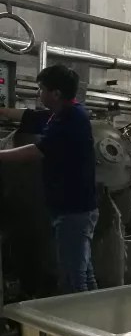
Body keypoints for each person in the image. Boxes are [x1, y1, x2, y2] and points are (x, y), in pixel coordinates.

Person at [0, 65, 97, 293]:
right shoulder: (66, 113)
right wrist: (2, 111)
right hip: (73, 208)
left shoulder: (71, 120)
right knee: (83, 271)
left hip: (73, 211)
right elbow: (31, 117)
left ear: (55, 93)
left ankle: (79, 313)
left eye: (41, 89)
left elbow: (36, 151)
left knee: (73, 278)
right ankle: (94, 309)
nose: (38, 93)